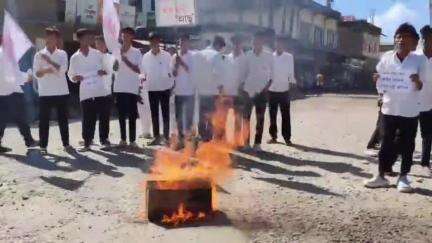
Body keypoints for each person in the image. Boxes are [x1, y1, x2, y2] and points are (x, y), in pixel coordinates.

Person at [364, 23, 425, 192]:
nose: (400, 40)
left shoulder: (419, 60)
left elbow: (424, 86)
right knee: (385, 143)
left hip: (409, 110)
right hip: (389, 109)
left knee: (407, 144)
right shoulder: (386, 57)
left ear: (414, 42)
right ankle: (381, 175)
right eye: (398, 37)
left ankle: (403, 177)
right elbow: (381, 86)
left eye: (405, 37)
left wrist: (417, 81)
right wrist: (378, 83)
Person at [68, 28, 109, 151]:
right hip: (86, 92)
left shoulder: (97, 54)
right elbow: (70, 75)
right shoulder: (75, 57)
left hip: (100, 90)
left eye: (90, 38)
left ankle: (104, 140)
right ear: (80, 39)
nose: (89, 40)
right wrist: (75, 78)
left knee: (103, 116)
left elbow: (107, 68)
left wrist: (104, 71)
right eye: (86, 38)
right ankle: (87, 142)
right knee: (87, 118)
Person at [33, 27, 71, 154]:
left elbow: (63, 70)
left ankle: (66, 144)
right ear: (46, 39)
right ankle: (43, 146)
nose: (51, 39)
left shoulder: (62, 54)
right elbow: (36, 73)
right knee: (44, 121)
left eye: (54, 37)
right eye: (49, 36)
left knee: (63, 120)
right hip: (45, 92)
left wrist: (49, 62)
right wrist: (46, 70)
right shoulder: (39, 55)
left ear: (57, 39)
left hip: (61, 92)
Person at [0, 35, 38, 153]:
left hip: (5, 91)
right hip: (10, 91)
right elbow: (13, 74)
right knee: (19, 117)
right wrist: (27, 77)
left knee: (4, 118)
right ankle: (29, 140)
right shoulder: (5, 55)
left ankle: (29, 140)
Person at [241, 31, 273, 151]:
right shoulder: (247, 55)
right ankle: (246, 143)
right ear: (252, 43)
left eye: (259, 41)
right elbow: (243, 73)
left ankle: (257, 143)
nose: (256, 44)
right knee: (246, 118)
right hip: (248, 91)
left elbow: (272, 75)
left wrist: (266, 88)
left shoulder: (269, 56)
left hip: (262, 92)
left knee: (260, 118)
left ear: (262, 43)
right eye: (254, 42)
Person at [141, 32, 173, 146]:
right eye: (152, 41)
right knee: (154, 113)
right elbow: (143, 73)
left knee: (165, 114)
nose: (154, 43)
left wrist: (171, 84)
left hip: (165, 88)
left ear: (159, 42)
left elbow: (171, 72)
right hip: (152, 89)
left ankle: (166, 137)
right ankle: (156, 137)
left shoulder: (167, 56)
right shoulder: (145, 57)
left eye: (156, 40)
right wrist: (142, 81)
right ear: (149, 43)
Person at [113, 27, 142, 148]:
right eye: (123, 35)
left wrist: (125, 59)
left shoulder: (136, 52)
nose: (124, 37)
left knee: (132, 115)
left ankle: (132, 140)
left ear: (132, 37)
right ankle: (123, 139)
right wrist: (118, 59)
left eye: (127, 35)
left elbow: (138, 69)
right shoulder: (116, 51)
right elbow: (114, 68)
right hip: (119, 87)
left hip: (131, 87)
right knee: (121, 115)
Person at [197, 36, 226, 142]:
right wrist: (222, 90)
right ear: (218, 45)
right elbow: (217, 74)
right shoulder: (216, 55)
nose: (220, 50)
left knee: (201, 115)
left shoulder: (200, 53)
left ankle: (201, 136)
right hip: (212, 92)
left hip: (200, 90)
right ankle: (208, 138)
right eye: (221, 48)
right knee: (210, 116)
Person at [268, 36, 296, 146]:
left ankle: (287, 138)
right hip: (272, 90)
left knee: (285, 115)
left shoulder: (289, 57)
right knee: (272, 115)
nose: (279, 45)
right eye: (277, 43)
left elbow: (291, 73)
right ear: (275, 44)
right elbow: (268, 73)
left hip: (284, 90)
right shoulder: (270, 57)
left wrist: (291, 86)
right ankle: (273, 136)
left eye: (281, 44)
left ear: (284, 45)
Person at [171, 34, 196, 149]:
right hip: (178, 92)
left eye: (185, 43)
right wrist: (176, 64)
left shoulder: (193, 56)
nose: (183, 45)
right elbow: (173, 74)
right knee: (179, 117)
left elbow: (192, 72)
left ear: (188, 44)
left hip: (190, 92)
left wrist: (182, 62)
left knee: (189, 117)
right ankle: (181, 138)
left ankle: (189, 139)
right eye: (181, 43)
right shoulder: (175, 57)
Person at [95, 35, 118, 147]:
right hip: (93, 91)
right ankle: (88, 139)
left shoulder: (111, 57)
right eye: (97, 44)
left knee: (105, 117)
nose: (99, 46)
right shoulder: (91, 57)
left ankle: (104, 139)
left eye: (101, 44)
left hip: (106, 91)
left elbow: (109, 71)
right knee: (91, 117)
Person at [417, 25, 432, 176]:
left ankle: (425, 163)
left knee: (427, 135)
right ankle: (398, 160)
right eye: (425, 39)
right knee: (404, 134)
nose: (427, 42)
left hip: (429, 104)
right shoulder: (414, 58)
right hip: (411, 104)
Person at [228, 34, 248, 145]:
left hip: (240, 92)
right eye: (234, 43)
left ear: (241, 45)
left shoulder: (245, 59)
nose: (236, 45)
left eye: (238, 43)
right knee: (227, 117)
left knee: (238, 117)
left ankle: (237, 140)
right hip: (229, 92)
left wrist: (243, 85)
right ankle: (228, 140)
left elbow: (248, 75)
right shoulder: (228, 57)